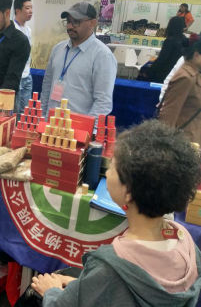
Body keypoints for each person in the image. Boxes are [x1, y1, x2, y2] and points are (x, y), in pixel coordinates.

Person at [31, 120, 201, 306]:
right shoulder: (186, 242)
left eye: (112, 166)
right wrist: (86, 285)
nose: (107, 172)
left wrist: (51, 291)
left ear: (128, 192)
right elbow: (121, 290)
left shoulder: (110, 267)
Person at [40, 2, 117, 121]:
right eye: (68, 21)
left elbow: (103, 101)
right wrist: (41, 118)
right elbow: (47, 87)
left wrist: (87, 128)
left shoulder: (102, 55)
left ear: (92, 23)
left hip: (77, 127)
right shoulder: (58, 49)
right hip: (50, 124)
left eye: (76, 22)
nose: (70, 26)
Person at [159, 40, 201, 144]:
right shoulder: (185, 77)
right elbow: (169, 112)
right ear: (196, 55)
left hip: (191, 135)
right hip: (183, 139)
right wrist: (165, 143)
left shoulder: (194, 74)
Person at [139, 16, 188, 83]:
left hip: (165, 73)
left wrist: (148, 71)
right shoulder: (184, 39)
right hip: (178, 72)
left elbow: (162, 59)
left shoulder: (170, 40)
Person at [13, 0, 34, 116]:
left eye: (31, 8)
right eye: (27, 8)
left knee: (26, 112)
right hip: (16, 76)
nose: (30, 11)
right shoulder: (12, 29)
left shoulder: (28, 30)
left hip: (27, 75)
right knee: (15, 111)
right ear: (18, 10)